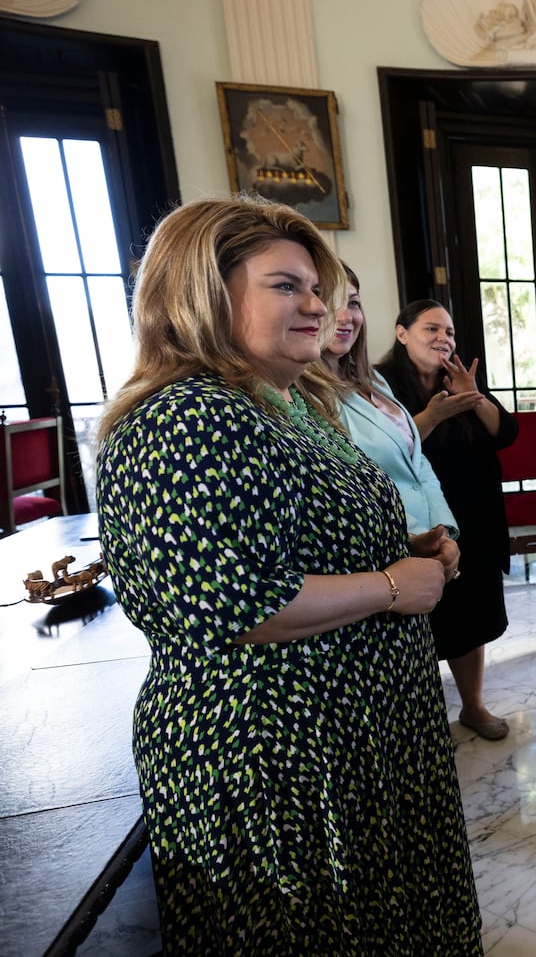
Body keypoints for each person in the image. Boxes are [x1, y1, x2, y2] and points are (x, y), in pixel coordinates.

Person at [95, 196, 482, 954]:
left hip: (347, 737)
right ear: (203, 290)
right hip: (279, 751)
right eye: (286, 286)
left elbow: (289, 541)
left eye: (317, 286)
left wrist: (403, 545)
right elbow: (234, 599)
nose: (316, 304)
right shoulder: (187, 415)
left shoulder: (289, 402)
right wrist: (396, 585)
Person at [376, 300, 519, 741]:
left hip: (474, 517)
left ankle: (473, 707)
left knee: (472, 617)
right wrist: (434, 414)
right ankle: (425, 724)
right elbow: (386, 449)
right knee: (426, 621)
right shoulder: (379, 385)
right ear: (402, 333)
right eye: (432, 328)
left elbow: (505, 433)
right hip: (420, 526)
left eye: (450, 331)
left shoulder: (457, 375)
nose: (444, 339)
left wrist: (472, 396)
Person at [324, 264, 459, 549]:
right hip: (384, 547)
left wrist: (441, 529)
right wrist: (408, 540)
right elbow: (349, 485)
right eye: (330, 302)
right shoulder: (305, 396)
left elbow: (415, 459)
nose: (346, 316)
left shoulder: (374, 381)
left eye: (353, 303)